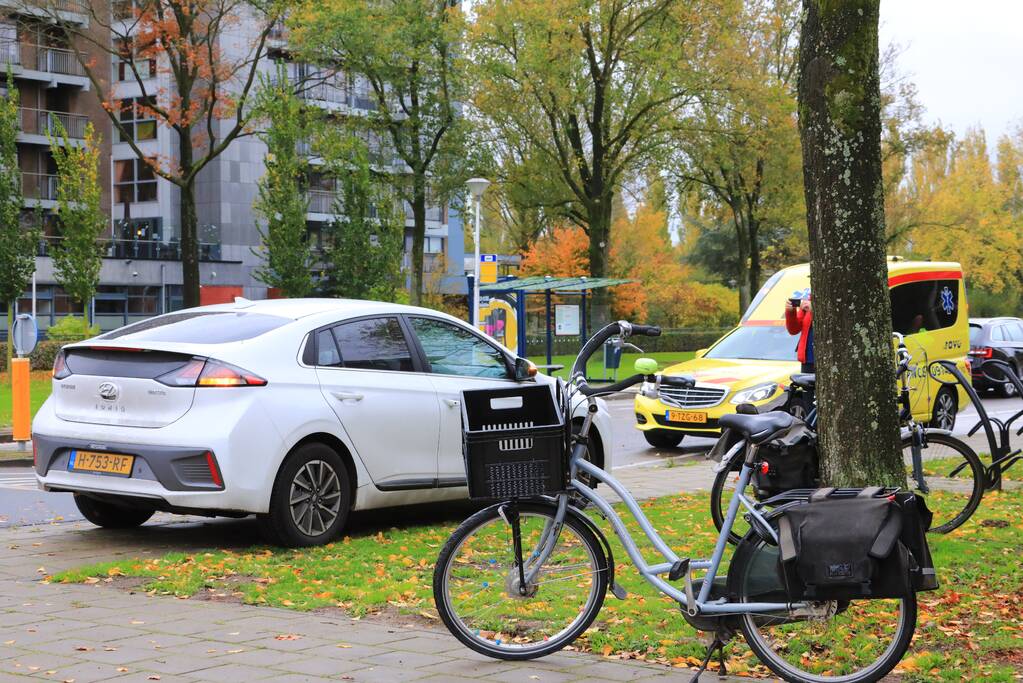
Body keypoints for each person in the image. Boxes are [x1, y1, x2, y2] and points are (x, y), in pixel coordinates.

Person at [785, 293, 814, 374]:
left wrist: (815, 309)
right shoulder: (809, 298)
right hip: (808, 360)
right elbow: (793, 330)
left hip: (827, 358)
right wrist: (790, 312)